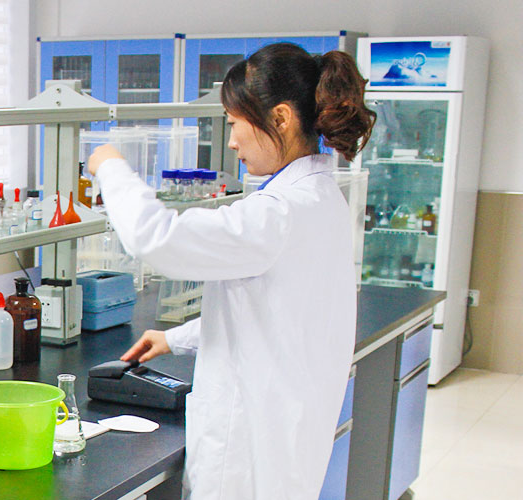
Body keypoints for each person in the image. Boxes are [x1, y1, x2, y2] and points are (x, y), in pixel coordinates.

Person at [89, 43, 374, 499]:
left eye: (235, 123)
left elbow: (156, 239)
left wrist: (110, 167)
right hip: (285, 442)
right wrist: (176, 338)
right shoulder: (320, 198)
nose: (232, 141)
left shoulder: (278, 213)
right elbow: (274, 311)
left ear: (281, 119)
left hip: (249, 456)